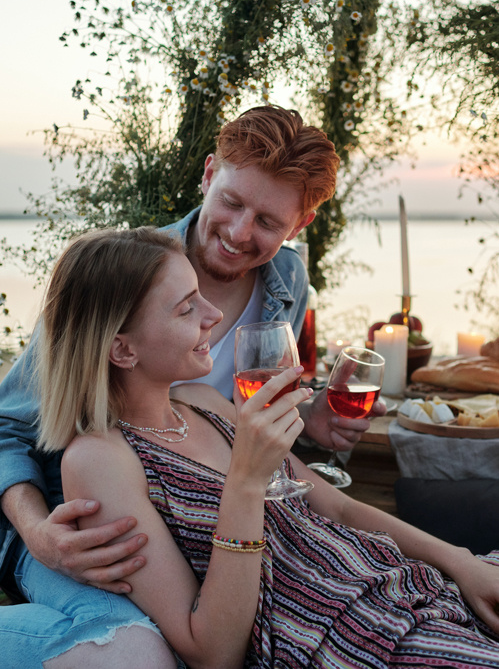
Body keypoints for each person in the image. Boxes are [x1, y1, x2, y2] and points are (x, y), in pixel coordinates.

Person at [0, 105, 381, 664]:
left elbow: (238, 415)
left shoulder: (288, 279)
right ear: (208, 175)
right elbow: (7, 426)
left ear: (299, 226)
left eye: (268, 222)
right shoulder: (128, 271)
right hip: (85, 520)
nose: (239, 232)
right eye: (232, 202)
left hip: (204, 516)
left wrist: (308, 416)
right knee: (144, 653)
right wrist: (39, 534)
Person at [36, 226, 499, 668]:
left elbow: (338, 508)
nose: (214, 315)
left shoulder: (202, 402)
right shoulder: (100, 461)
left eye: (200, 295)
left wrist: (461, 563)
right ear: (122, 350)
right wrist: (246, 480)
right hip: (352, 637)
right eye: (186, 308)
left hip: (407, 586)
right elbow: (211, 652)